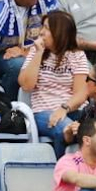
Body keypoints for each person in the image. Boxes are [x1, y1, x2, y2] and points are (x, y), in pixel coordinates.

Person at [18, 11, 89, 153]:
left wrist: (64, 108)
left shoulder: (77, 55)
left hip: (73, 110)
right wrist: (38, 53)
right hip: (43, 111)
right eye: (42, 27)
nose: (42, 32)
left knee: (93, 128)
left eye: (47, 29)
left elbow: (80, 94)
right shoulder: (36, 51)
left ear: (60, 33)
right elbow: (26, 85)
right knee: (66, 128)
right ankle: (64, 171)